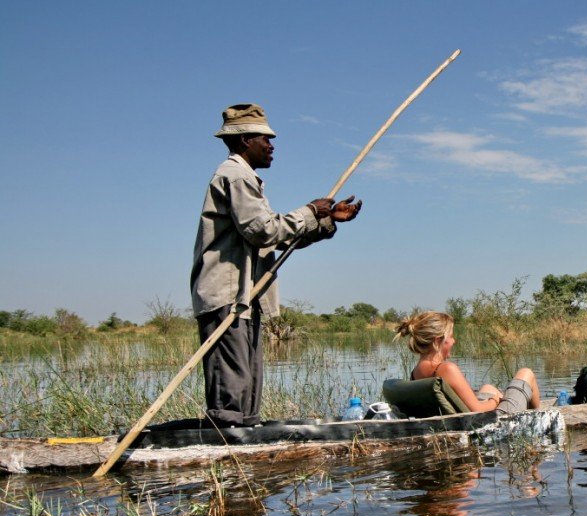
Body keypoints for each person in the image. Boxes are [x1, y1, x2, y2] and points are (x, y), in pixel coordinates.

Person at [191, 103, 363, 427]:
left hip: (246, 297)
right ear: (244, 140)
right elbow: (263, 231)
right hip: (227, 295)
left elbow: (275, 237)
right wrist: (311, 210)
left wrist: (324, 219)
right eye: (265, 139)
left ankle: (247, 441)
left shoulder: (247, 179)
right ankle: (228, 445)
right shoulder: (235, 175)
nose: (271, 146)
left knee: (248, 389)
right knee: (232, 389)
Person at [396, 311, 541, 414]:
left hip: (466, 418)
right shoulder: (446, 369)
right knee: (526, 373)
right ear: (438, 341)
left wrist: (490, 396)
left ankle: (514, 402)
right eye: (451, 337)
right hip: (497, 420)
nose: (454, 341)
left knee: (488, 387)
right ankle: (537, 416)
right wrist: (494, 401)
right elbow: (476, 410)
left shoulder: (416, 372)